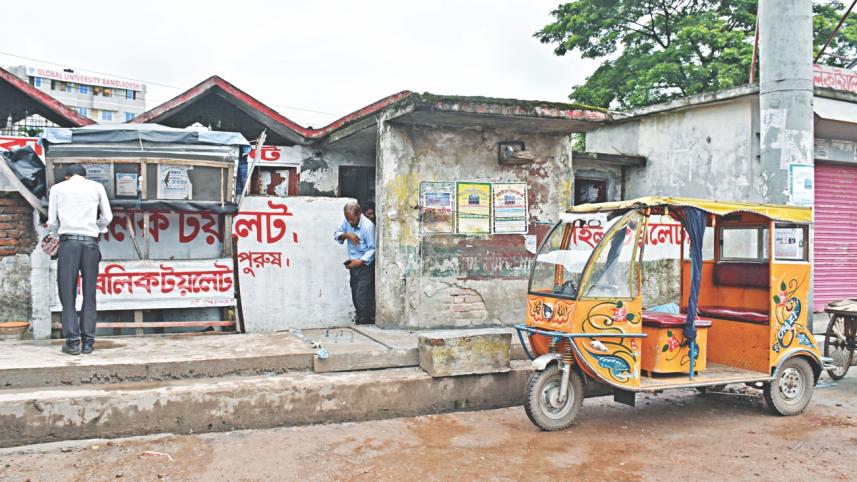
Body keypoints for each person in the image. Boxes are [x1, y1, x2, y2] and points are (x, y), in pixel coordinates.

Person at [47, 164, 113, 355]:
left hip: (68, 244)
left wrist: (57, 232)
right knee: (89, 293)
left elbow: (52, 222)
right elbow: (107, 216)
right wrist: (95, 227)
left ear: (67, 176)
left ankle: (73, 342)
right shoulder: (96, 187)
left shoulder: (58, 189)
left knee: (68, 295)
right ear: (85, 176)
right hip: (90, 244)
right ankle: (89, 343)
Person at [334, 201, 375, 324]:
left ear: (358, 214)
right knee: (355, 294)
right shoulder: (348, 220)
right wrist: (347, 235)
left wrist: (360, 261)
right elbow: (336, 234)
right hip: (353, 265)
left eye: (352, 219)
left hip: (365, 265)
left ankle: (364, 322)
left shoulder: (368, 226)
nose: (349, 222)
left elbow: (373, 249)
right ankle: (361, 320)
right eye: (348, 219)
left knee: (362, 297)